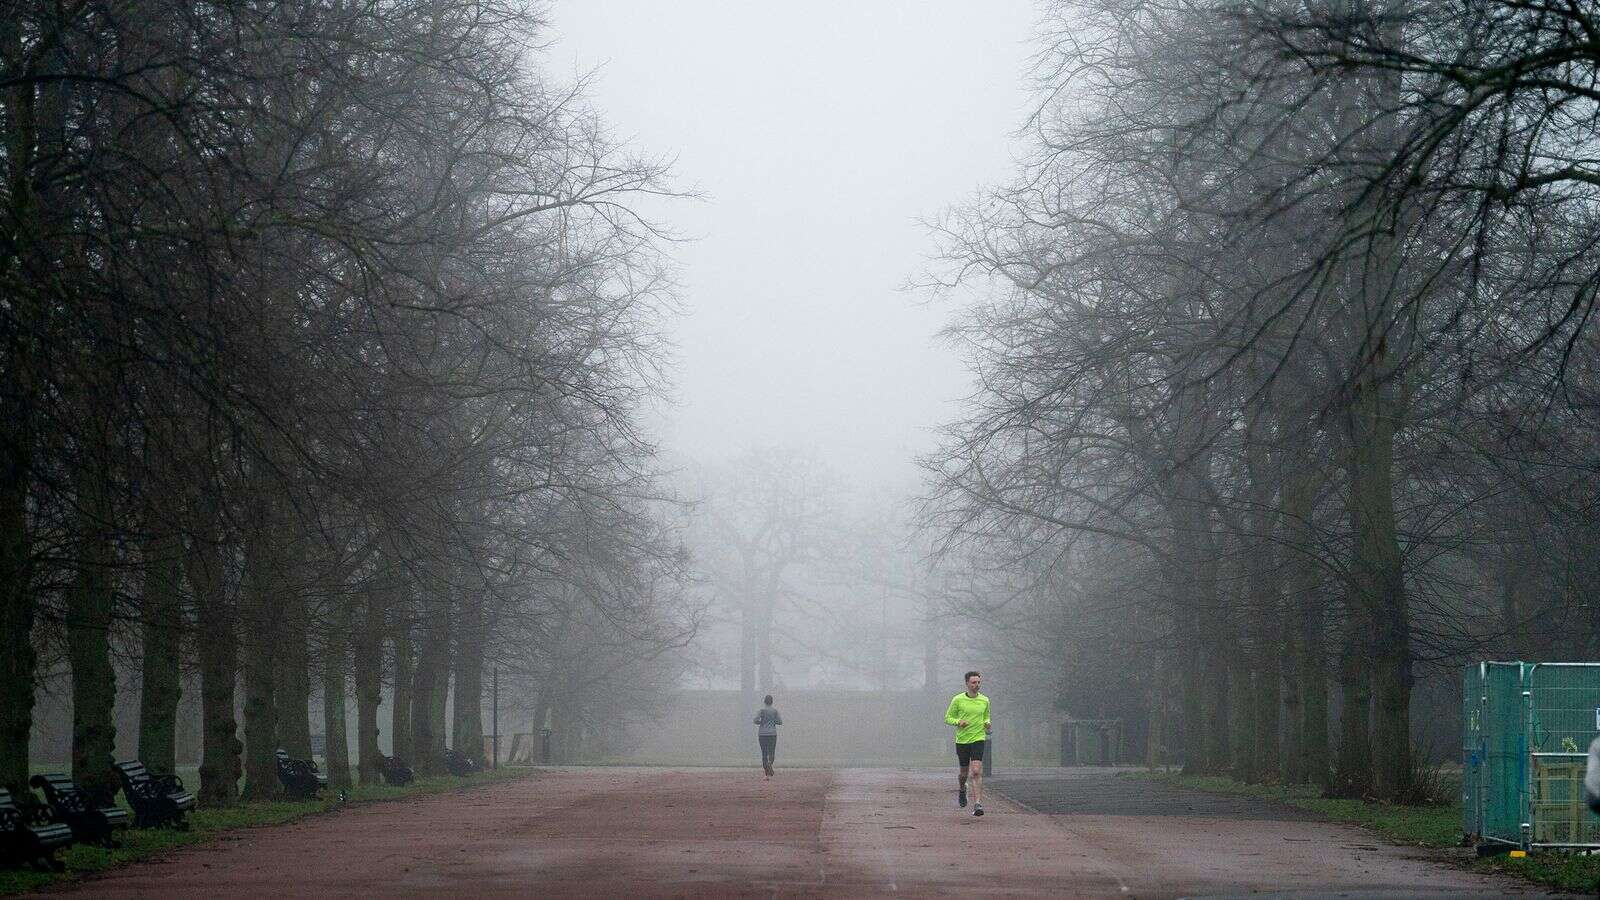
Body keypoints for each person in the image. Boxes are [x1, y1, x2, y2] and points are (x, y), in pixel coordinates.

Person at [944, 670, 991, 816]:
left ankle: (978, 804)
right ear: (967, 683)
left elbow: (986, 717)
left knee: (976, 771)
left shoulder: (985, 700)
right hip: (963, 740)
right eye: (974, 682)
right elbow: (947, 718)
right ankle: (962, 789)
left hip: (978, 738)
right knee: (964, 773)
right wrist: (959, 722)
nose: (977, 685)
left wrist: (987, 723)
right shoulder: (958, 700)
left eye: (978, 682)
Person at [754, 694, 783, 776]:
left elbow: (755, 720)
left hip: (762, 734)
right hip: (772, 734)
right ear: (772, 702)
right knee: (771, 752)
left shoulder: (761, 710)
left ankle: (766, 774)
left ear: (764, 701)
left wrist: (761, 722)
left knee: (764, 753)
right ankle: (770, 763)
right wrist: (773, 721)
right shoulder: (775, 711)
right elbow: (780, 722)